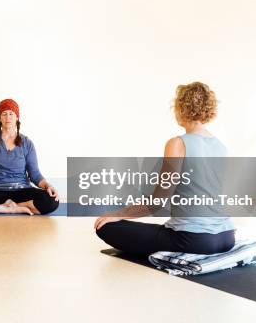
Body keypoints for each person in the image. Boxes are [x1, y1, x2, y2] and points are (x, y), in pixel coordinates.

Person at [95, 82, 235, 255]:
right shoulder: (221, 147)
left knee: (107, 226)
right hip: (227, 237)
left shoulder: (178, 143)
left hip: (194, 240)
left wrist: (118, 214)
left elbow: (158, 202)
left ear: (181, 107)